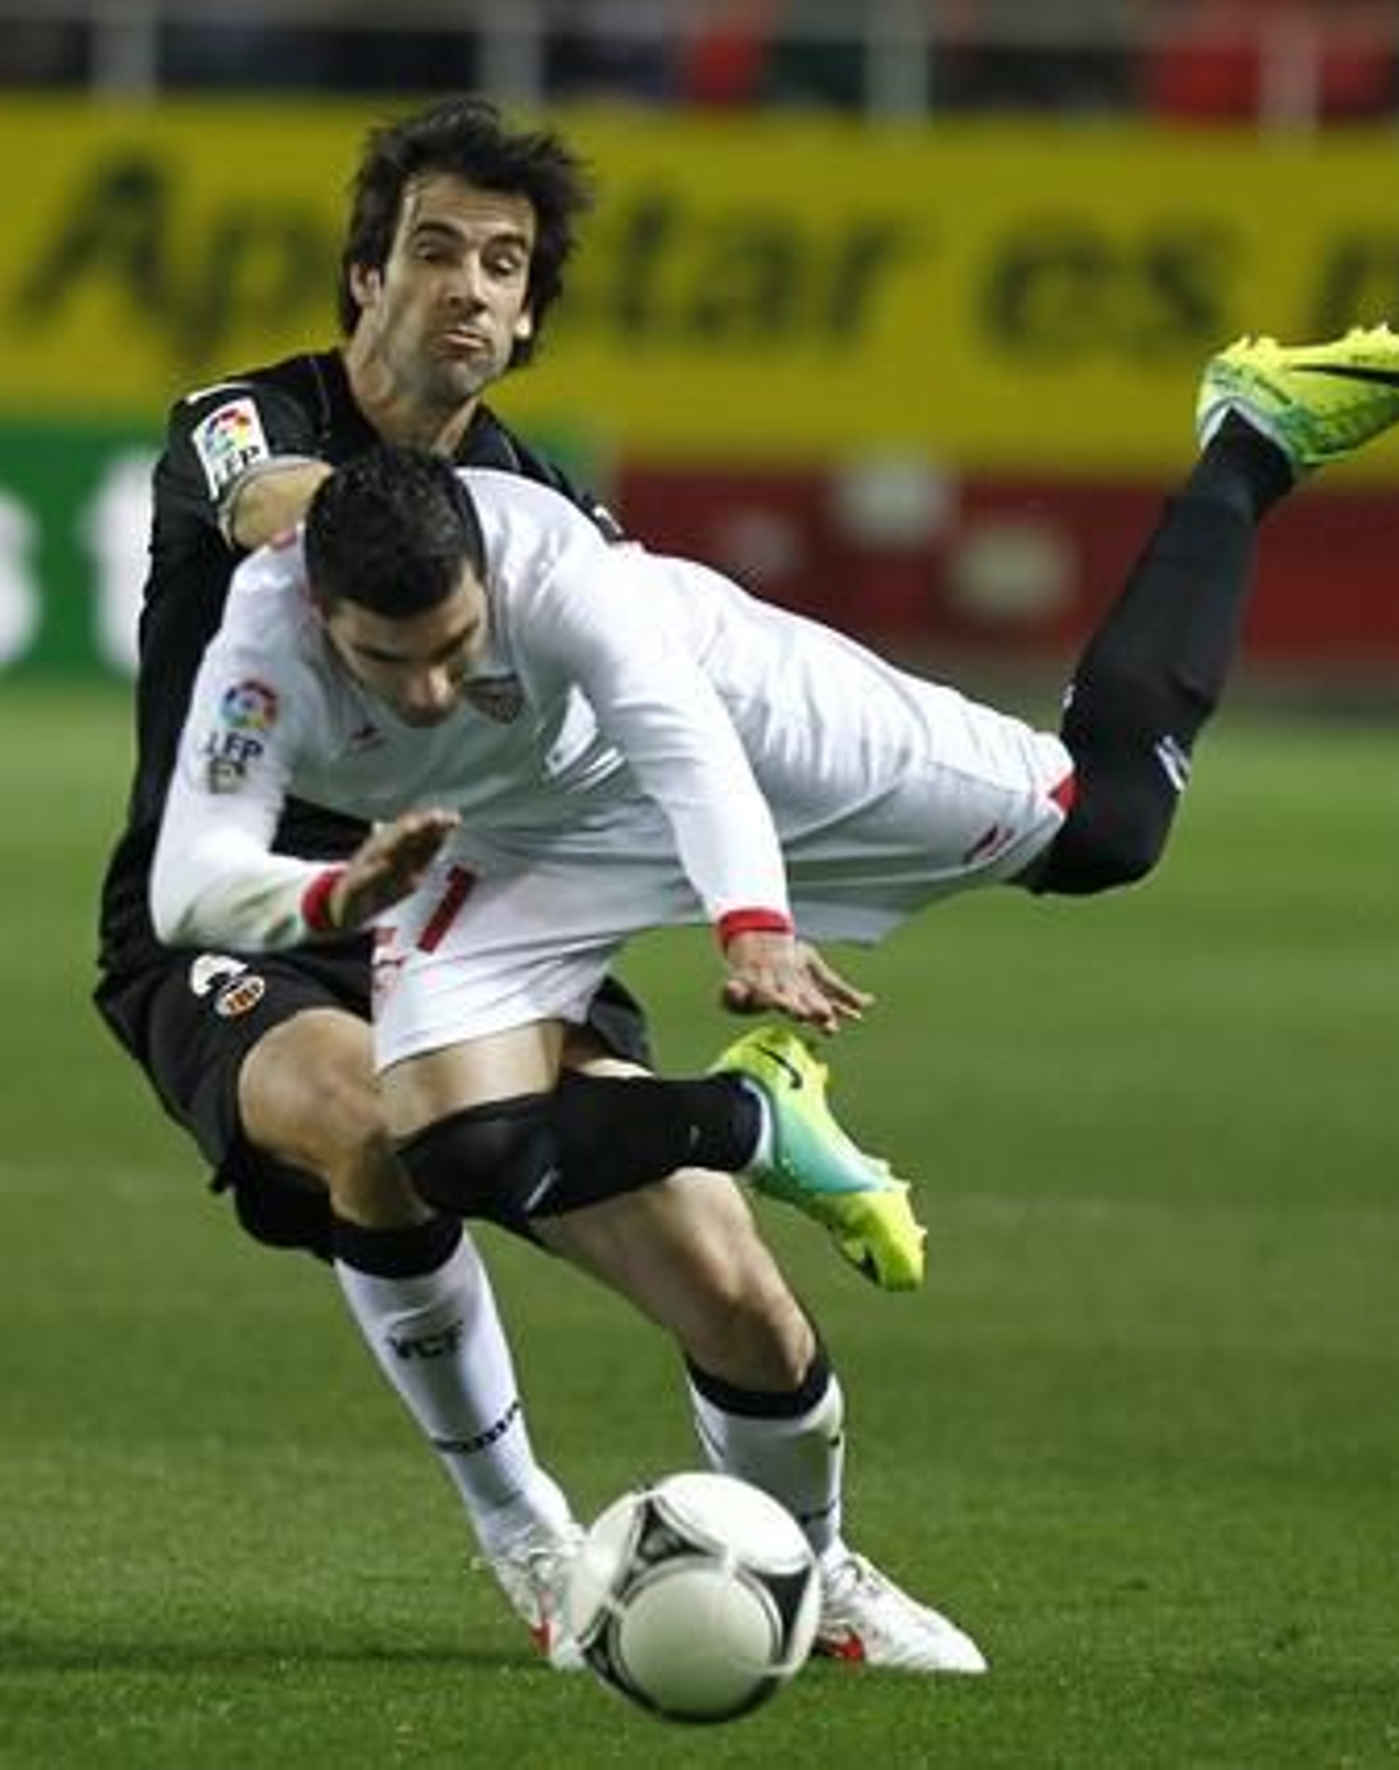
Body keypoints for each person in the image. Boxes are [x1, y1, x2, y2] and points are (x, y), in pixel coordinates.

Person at [147, 324, 1399, 1654]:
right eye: (391, 663)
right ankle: (752, 1120)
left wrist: (754, 926)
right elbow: (188, 885)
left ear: (483, 579)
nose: (432, 689)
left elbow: (689, 746)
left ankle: (1248, 442)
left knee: (1110, 827)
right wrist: (332, 902)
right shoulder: (261, 647)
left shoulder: (555, 568)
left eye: (454, 646)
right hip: (522, 843)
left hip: (740, 726)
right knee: (449, 1148)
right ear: (319, 610)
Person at [95, 96, 975, 1675]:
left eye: (503, 266)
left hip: (492, 934)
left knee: (741, 1294)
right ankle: (528, 1533)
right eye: (434, 251)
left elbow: (664, 713)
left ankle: (813, 1569)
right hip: (251, 930)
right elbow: (267, 503)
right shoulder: (245, 418)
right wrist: (388, 525)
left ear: (527, 315)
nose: (468, 288)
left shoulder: (549, 511)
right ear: (366, 275)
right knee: (380, 1125)